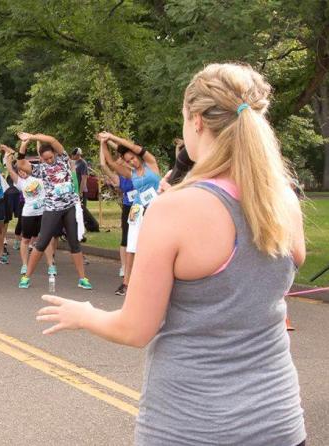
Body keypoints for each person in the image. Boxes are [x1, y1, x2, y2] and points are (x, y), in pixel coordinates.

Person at [38, 63, 306, 446]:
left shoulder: (176, 210)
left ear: (197, 121)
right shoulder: (283, 201)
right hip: (278, 421)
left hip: (191, 425)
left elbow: (135, 329)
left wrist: (85, 314)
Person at [15, 132, 92, 290]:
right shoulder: (41, 169)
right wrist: (24, 143)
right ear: (42, 158)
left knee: (74, 243)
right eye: (46, 159)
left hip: (69, 208)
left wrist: (33, 136)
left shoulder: (63, 159)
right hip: (52, 209)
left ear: (55, 154)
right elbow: (21, 164)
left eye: (51, 157)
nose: (50, 160)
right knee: (42, 242)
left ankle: (83, 278)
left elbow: (52, 140)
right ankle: (26, 277)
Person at [98, 131, 161, 296]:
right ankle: (126, 283)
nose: (132, 162)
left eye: (133, 158)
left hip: (155, 209)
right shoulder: (130, 173)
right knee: (131, 247)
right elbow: (110, 162)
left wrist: (111, 136)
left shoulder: (151, 164)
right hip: (137, 210)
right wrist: (103, 143)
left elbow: (133, 147)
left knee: (155, 246)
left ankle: (154, 281)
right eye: (128, 161)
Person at [1, 145, 56, 276]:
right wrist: (8, 155)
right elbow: (9, 168)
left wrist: (34, 144)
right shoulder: (19, 182)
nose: (22, 172)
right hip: (28, 214)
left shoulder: (39, 176)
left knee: (45, 238)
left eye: (23, 170)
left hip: (43, 213)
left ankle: (51, 265)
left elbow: (41, 160)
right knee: (25, 240)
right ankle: (24, 265)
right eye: (19, 171)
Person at [97, 149, 135, 285]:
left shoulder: (135, 171)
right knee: (126, 237)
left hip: (143, 207)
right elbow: (103, 165)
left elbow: (127, 153)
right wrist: (102, 145)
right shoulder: (118, 178)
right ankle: (124, 267)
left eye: (123, 160)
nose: (121, 162)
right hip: (128, 207)